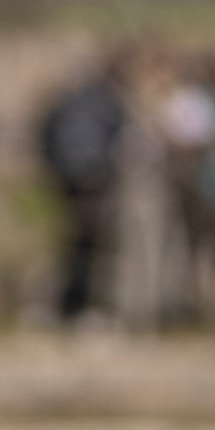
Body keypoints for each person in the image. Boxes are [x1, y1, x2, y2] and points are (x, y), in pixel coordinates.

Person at [33, 51, 131, 326]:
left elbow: (45, 136)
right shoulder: (107, 104)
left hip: (72, 182)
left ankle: (75, 303)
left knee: (78, 244)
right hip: (92, 183)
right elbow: (120, 143)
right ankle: (79, 303)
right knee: (87, 245)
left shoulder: (67, 102)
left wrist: (54, 171)